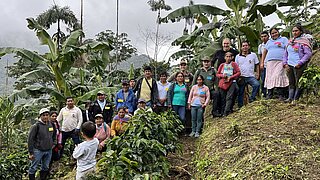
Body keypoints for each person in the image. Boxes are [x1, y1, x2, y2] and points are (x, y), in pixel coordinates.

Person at [283, 24, 312, 102]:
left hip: (299, 65)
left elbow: (308, 54)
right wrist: (285, 63)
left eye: (296, 31)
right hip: (290, 65)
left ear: (300, 31)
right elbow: (285, 53)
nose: (294, 32)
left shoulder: (304, 41)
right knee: (291, 82)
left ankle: (296, 99)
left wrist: (300, 62)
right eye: (293, 31)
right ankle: (290, 98)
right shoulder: (290, 41)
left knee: (298, 82)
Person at [261, 28, 289, 99]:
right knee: (270, 76)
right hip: (270, 62)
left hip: (280, 61)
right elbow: (264, 52)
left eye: (275, 32)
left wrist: (287, 60)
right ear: (270, 35)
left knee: (278, 75)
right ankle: (270, 94)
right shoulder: (269, 42)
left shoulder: (284, 39)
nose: (274, 34)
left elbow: (288, 48)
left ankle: (281, 94)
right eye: (272, 33)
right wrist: (262, 62)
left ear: (278, 32)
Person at [28, 108, 55, 180]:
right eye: (44, 115)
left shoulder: (51, 124)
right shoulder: (36, 126)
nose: (46, 117)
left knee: (45, 166)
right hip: (38, 150)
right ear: (40, 116)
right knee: (33, 167)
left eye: (47, 115)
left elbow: (54, 134)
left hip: (49, 150)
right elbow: (30, 139)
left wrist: (53, 143)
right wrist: (31, 152)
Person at [235, 41, 260, 107]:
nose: (245, 47)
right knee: (241, 92)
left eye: (246, 45)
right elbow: (236, 67)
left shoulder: (253, 55)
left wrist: (257, 73)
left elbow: (257, 64)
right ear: (241, 48)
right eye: (243, 46)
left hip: (250, 76)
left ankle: (252, 98)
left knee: (257, 85)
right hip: (241, 76)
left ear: (248, 47)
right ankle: (240, 106)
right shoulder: (238, 56)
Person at [217, 52, 241, 116]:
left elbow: (238, 72)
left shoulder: (234, 64)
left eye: (229, 56)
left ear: (232, 57)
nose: (228, 58)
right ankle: (223, 111)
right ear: (225, 57)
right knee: (223, 98)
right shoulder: (222, 65)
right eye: (227, 56)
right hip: (223, 83)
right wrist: (222, 76)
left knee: (229, 97)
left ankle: (226, 111)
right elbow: (217, 74)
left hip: (231, 82)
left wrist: (231, 77)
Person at [258, 31, 269, 98]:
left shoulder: (271, 44)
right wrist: (261, 64)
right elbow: (260, 56)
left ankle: (271, 93)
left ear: (268, 36)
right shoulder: (260, 46)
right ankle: (264, 94)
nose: (264, 38)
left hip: (272, 65)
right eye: (262, 37)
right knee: (263, 80)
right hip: (264, 65)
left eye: (265, 36)